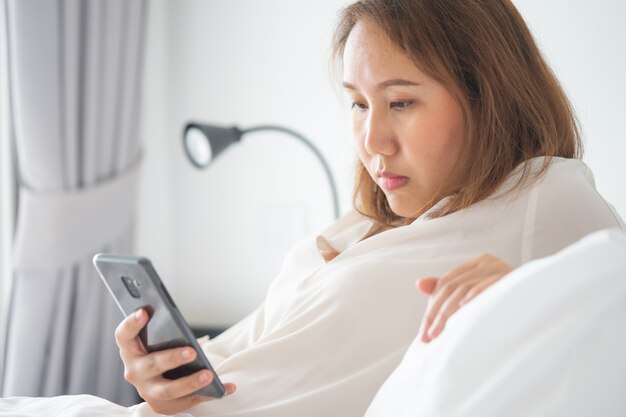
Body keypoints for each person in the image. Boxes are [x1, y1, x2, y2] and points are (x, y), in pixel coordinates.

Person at [0, 0, 623, 416]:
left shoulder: (540, 195)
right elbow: (244, 360)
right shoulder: (359, 227)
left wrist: (529, 292)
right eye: (357, 104)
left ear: (488, 96)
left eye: (401, 102)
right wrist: (164, 379)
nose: (373, 140)